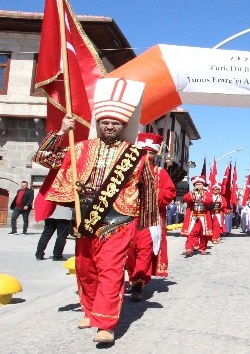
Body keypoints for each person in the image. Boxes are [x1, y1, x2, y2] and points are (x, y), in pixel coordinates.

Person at [32, 77, 158, 343]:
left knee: (111, 270)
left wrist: (146, 224)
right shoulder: (80, 149)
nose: (110, 125)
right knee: (86, 269)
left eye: (115, 122)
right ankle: (90, 310)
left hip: (119, 221)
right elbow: (44, 158)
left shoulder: (136, 155)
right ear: (98, 124)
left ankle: (106, 324)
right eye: (105, 122)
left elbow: (148, 190)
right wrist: (60, 131)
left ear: (123, 126)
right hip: (85, 219)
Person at [126, 132, 176, 301]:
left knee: (145, 251)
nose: (147, 155)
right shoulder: (127, 170)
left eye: (151, 152)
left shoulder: (160, 173)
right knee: (128, 252)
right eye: (144, 151)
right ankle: (132, 277)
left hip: (150, 220)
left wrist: (153, 195)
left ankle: (138, 283)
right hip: (128, 218)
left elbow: (170, 193)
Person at [181, 176, 212, 256]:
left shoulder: (206, 193)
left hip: (203, 217)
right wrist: (193, 194)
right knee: (191, 232)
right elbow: (186, 199)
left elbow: (209, 201)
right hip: (193, 217)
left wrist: (202, 195)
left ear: (203, 185)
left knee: (203, 233)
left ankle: (203, 248)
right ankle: (189, 248)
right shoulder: (191, 193)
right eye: (196, 184)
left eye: (200, 184)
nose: (198, 186)